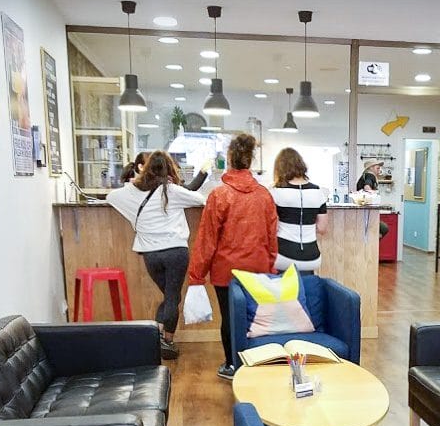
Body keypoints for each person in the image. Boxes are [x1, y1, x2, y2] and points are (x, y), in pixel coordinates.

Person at [188, 133, 278, 381]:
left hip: (226, 270)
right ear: (250, 160)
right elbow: (272, 236)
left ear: (229, 159)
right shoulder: (264, 195)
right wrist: (271, 266)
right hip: (258, 267)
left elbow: (207, 240)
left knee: (229, 318)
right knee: (255, 317)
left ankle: (232, 365)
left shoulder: (219, 195)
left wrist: (196, 276)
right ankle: (255, 362)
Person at [107, 150, 205, 360]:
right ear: (169, 169)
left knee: (170, 297)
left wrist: (132, 190)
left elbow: (110, 197)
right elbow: (200, 199)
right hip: (176, 252)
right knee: (172, 297)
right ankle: (166, 340)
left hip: (151, 255)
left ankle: (159, 336)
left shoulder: (131, 191)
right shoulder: (171, 191)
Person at [271, 147, 328, 273]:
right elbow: (322, 228)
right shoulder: (318, 191)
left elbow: (273, 227)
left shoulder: (275, 192)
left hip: (283, 256)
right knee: (307, 283)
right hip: (312, 257)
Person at [122, 151, 209, 191]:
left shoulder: (162, 184)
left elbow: (189, 189)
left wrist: (203, 171)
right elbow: (191, 191)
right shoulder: (135, 187)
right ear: (141, 167)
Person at [356, 158, 389, 239]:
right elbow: (367, 187)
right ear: (370, 168)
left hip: (362, 213)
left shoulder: (364, 176)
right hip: (366, 213)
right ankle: (373, 243)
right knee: (384, 228)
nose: (379, 169)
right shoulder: (370, 175)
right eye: (377, 167)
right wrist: (375, 194)